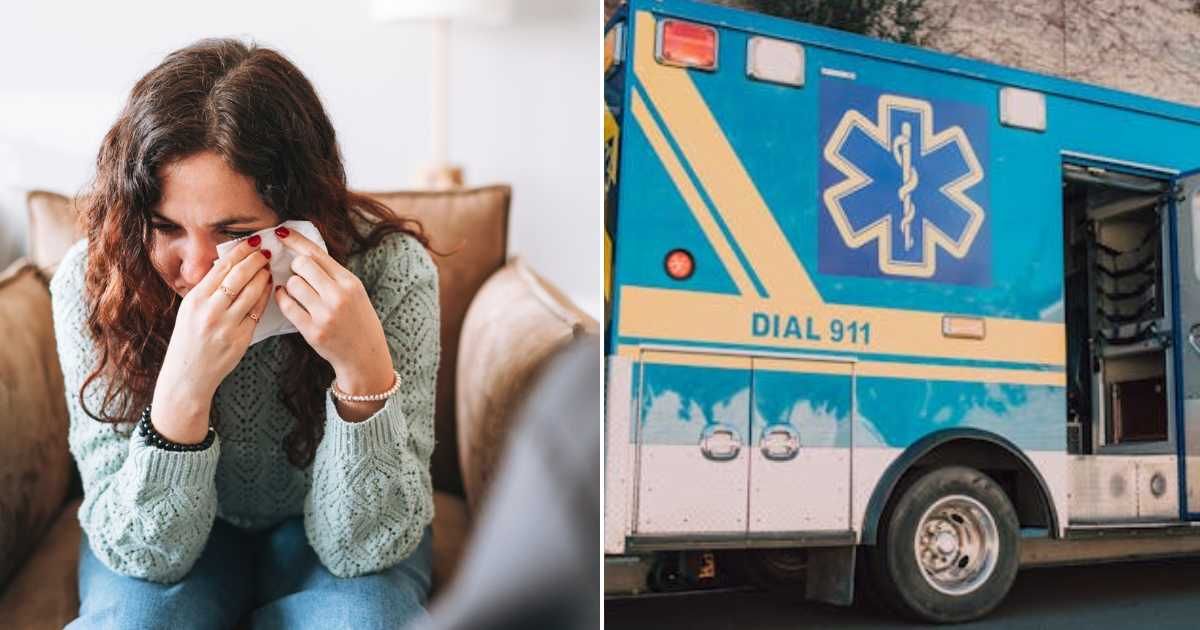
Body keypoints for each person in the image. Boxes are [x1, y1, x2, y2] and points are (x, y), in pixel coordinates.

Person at [51, 38, 439, 629]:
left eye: (234, 231)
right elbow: (144, 556)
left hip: (328, 533)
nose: (197, 267)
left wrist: (361, 374)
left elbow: (363, 550)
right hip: (172, 538)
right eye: (165, 227)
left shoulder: (391, 272)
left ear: (303, 216)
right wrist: (186, 385)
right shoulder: (94, 279)